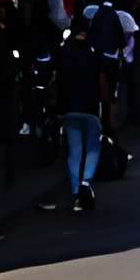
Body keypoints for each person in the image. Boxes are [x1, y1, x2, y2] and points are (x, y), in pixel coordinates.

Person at [52, 19, 108, 212]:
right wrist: (105, 102)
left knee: (74, 150)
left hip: (68, 107)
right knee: (93, 147)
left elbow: (56, 79)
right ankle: (86, 181)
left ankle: (76, 191)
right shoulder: (94, 52)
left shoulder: (63, 52)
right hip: (90, 106)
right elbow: (102, 81)